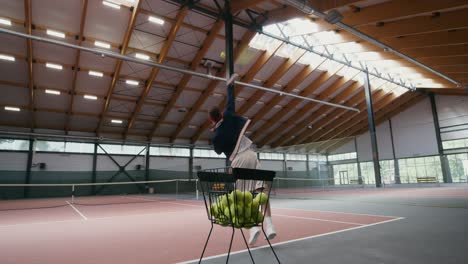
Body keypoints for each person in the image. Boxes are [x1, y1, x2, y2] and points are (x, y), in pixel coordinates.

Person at [208, 75, 276, 245]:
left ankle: (253, 228)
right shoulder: (229, 115)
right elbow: (231, 100)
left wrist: (214, 131)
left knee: (242, 198)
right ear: (221, 114)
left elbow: (217, 151)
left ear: (212, 119)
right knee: (261, 192)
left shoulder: (216, 136)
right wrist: (230, 84)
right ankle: (270, 225)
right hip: (251, 155)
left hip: (238, 161)